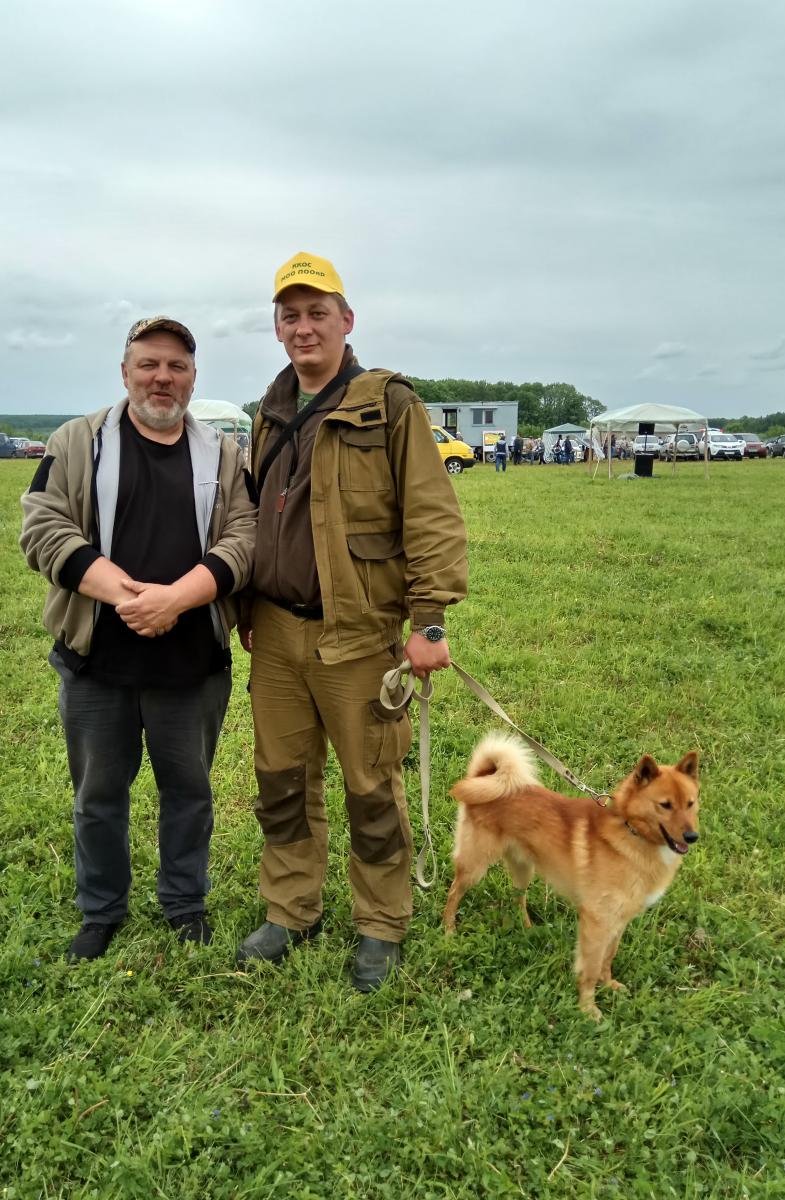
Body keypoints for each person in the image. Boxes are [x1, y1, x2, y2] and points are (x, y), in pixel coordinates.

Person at [236, 252, 468, 990]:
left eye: (318, 313)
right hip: (274, 633)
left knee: (371, 789)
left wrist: (429, 622)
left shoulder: (390, 404)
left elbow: (432, 513)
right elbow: (253, 515)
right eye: (290, 315)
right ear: (277, 328)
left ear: (347, 320)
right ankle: (291, 910)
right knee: (281, 783)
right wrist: (242, 606)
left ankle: (380, 925)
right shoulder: (268, 412)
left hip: (359, 634)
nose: (304, 327)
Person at [20, 316, 257, 961]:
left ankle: (185, 904)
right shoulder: (77, 442)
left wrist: (175, 600)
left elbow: (246, 535)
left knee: (189, 793)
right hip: (98, 661)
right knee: (98, 796)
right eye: (149, 364)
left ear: (193, 378)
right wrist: (130, 598)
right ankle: (102, 911)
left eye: (177, 366)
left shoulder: (223, 453)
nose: (162, 378)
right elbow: (42, 526)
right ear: (125, 372)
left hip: (192, 661)